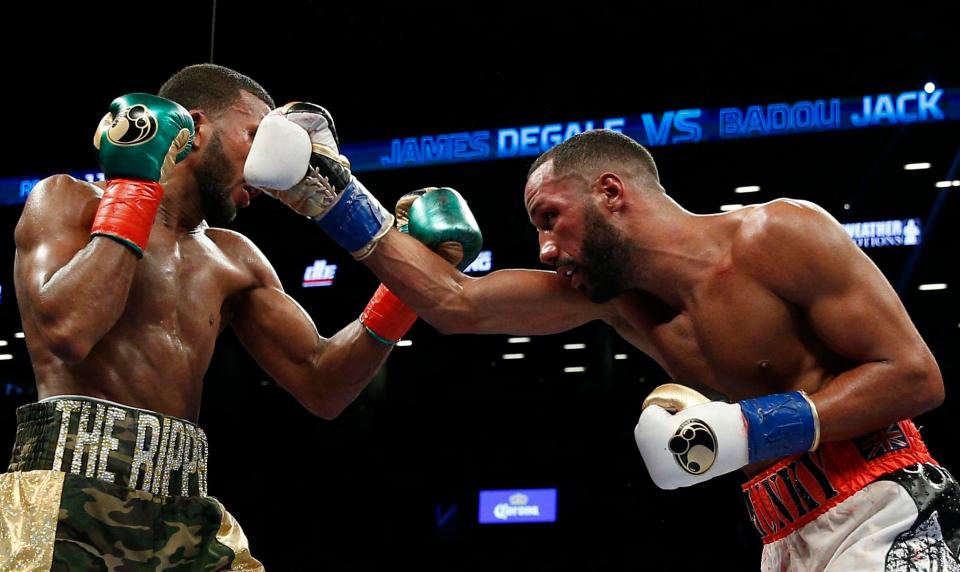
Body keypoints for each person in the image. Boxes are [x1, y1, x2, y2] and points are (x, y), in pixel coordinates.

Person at [249, 122, 955, 570]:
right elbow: (455, 303)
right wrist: (329, 192)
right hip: (782, 530)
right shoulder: (616, 301)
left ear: (612, 192)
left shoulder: (781, 235)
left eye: (552, 219)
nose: (546, 248)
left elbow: (915, 376)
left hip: (884, 501)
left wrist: (746, 427)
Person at [0, 66, 481, 571]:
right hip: (67, 497)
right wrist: (136, 189)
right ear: (194, 126)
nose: (265, 166)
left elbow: (323, 383)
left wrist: (402, 294)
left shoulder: (236, 257)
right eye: (254, 136)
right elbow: (67, 333)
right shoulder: (68, 200)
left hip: (184, 508)